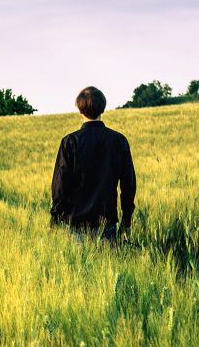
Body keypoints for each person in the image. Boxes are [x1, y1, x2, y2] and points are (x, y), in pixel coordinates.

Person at [50, 87, 136, 244]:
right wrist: (127, 219)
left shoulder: (70, 142)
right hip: (107, 223)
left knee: (76, 268)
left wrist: (55, 216)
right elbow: (128, 184)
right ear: (103, 108)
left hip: (75, 225)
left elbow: (60, 185)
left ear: (80, 110)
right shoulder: (119, 141)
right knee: (109, 267)